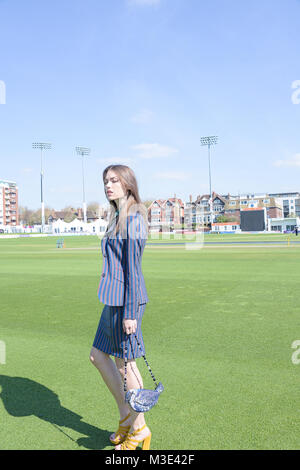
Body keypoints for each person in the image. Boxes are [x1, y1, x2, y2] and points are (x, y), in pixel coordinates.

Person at [90, 165, 152, 451]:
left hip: (127, 301)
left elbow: (133, 271)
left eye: (114, 180)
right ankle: (126, 416)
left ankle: (139, 430)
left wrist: (130, 313)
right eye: (106, 181)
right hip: (112, 299)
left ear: (128, 184)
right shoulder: (116, 215)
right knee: (98, 357)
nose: (108, 185)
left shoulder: (134, 218)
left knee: (126, 364)